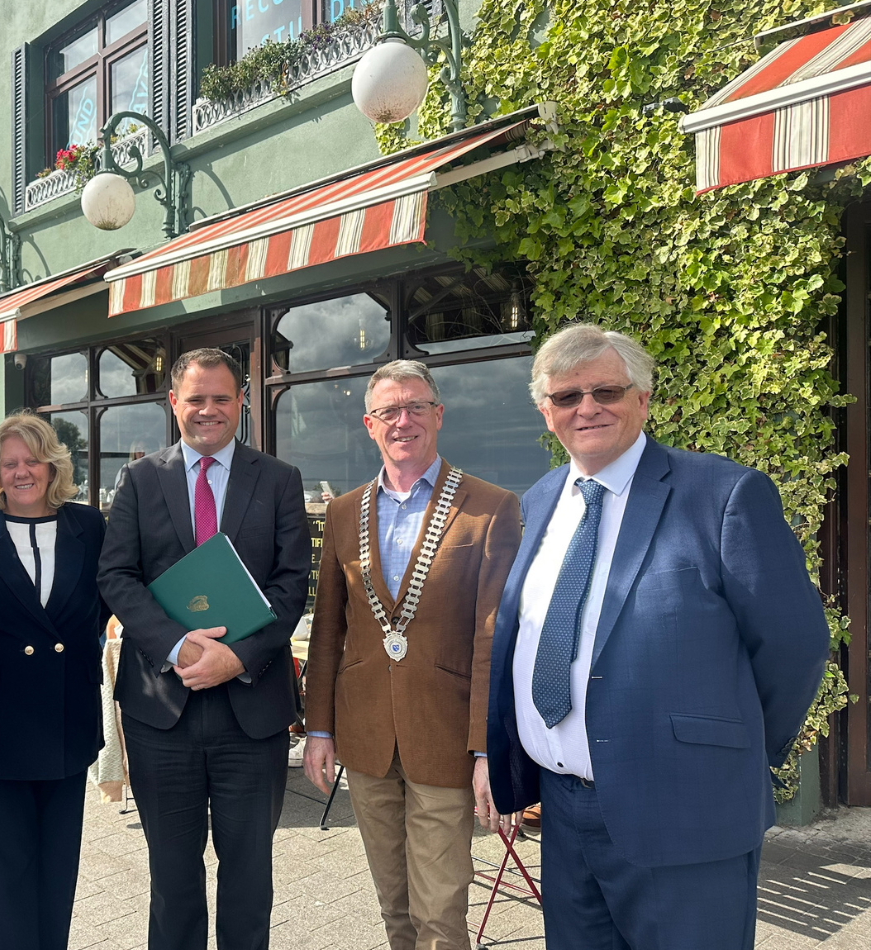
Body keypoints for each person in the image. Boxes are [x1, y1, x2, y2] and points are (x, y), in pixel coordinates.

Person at [486, 324, 829, 948]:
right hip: (563, 816)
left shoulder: (722, 495)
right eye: (567, 397)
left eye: (607, 391)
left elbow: (795, 646)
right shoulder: (535, 504)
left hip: (688, 812)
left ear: (643, 399)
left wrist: (728, 753)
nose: (587, 407)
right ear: (546, 411)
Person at [98, 348, 312, 950]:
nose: (208, 410)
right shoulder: (141, 479)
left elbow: (292, 584)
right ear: (174, 403)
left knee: (249, 873)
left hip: (252, 708)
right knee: (172, 878)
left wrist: (238, 656)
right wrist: (176, 646)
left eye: (221, 398)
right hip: (160, 710)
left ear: (241, 401)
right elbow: (116, 577)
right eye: (196, 398)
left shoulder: (278, 479)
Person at [304, 360, 521, 950]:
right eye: (390, 412)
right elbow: (328, 631)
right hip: (367, 736)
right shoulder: (345, 511)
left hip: (446, 737)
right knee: (394, 908)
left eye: (416, 407)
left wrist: (486, 747)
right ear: (369, 424)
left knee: (441, 913)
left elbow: (492, 639)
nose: (404, 421)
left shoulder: (491, 508)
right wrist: (318, 729)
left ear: (438, 416)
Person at [0, 412, 108, 950]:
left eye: (32, 459)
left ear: (52, 464)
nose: (22, 472)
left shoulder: (90, 527)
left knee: (58, 871)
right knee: (4, 876)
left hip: (66, 719)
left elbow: (102, 608)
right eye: (9, 463)